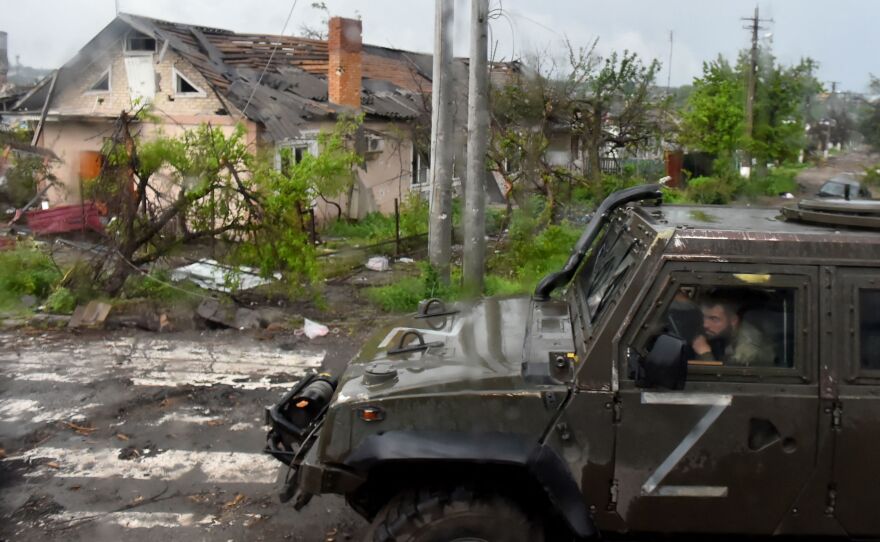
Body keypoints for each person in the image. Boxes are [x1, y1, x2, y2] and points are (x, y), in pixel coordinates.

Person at [692, 294, 775, 367]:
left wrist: (704, 353)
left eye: (714, 319)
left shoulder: (747, 349)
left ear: (733, 320)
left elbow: (723, 381)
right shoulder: (722, 335)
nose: (705, 325)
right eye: (703, 317)